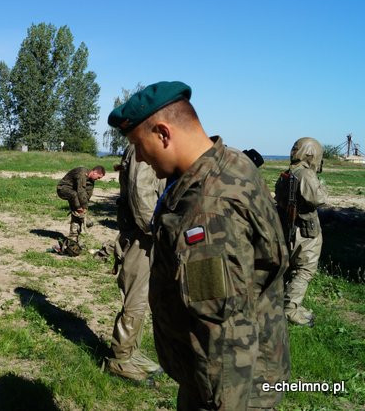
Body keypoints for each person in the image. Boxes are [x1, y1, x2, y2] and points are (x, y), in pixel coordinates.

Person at [107, 81, 290, 409]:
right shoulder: (232, 163)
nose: (142, 160)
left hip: (228, 389)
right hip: (239, 372)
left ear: (163, 133)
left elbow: (222, 332)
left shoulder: (205, 211)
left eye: (140, 146)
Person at [106, 144, 164, 382]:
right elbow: (140, 194)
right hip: (142, 237)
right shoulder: (143, 148)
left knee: (142, 297)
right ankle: (120, 359)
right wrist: (156, 229)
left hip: (146, 237)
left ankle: (131, 351)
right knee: (135, 299)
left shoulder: (150, 145)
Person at [275, 137, 327, 326]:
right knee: (304, 270)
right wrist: (322, 186)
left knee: (290, 268)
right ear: (313, 155)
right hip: (306, 231)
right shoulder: (306, 174)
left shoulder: (288, 173)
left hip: (289, 227)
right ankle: (291, 310)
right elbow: (318, 199)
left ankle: (285, 303)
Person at [56, 165, 106, 242]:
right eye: (98, 177)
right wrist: (80, 207)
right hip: (63, 189)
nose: (98, 179)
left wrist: (85, 208)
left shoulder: (91, 181)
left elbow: (87, 194)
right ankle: (83, 219)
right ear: (95, 172)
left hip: (74, 192)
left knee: (77, 212)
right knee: (76, 199)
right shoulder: (82, 173)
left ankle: (73, 237)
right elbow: (81, 191)